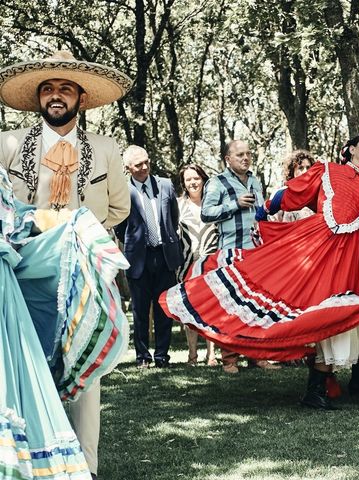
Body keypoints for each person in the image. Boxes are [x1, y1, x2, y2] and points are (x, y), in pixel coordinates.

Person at [160, 133, 359, 410]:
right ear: (350, 150)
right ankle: (316, 388)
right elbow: (292, 193)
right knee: (329, 311)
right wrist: (264, 210)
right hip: (325, 249)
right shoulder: (329, 171)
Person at [0, 50, 132, 479]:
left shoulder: (107, 149)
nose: (56, 96)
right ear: (39, 98)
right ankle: (33, 455)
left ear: (80, 97)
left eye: (65, 89)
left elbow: (119, 207)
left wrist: (77, 231)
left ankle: (85, 465)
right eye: (48, 89)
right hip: (25, 268)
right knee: (28, 360)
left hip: (84, 267)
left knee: (84, 366)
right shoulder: (9, 144)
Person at [200, 139, 280, 373]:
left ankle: (258, 356)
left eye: (248, 154)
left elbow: (259, 214)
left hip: (256, 251)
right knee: (232, 305)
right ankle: (229, 359)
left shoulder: (255, 180)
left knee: (257, 303)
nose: (245, 158)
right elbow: (206, 213)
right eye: (239, 155)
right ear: (228, 159)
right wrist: (234, 204)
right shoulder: (217, 182)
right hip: (231, 251)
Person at [115, 145, 182, 369]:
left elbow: (173, 218)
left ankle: (162, 356)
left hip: (164, 256)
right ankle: (142, 356)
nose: (144, 167)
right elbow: (120, 227)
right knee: (140, 311)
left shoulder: (165, 185)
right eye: (138, 164)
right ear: (127, 168)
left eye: (146, 162)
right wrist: (135, 243)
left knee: (164, 307)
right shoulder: (121, 191)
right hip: (138, 259)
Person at [176, 163, 218, 365]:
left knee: (211, 308)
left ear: (203, 179)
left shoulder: (213, 204)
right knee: (188, 309)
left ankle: (212, 355)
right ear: (184, 183)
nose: (193, 182)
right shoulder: (177, 205)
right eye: (188, 179)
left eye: (196, 178)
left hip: (210, 264)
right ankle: (192, 355)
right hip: (185, 264)